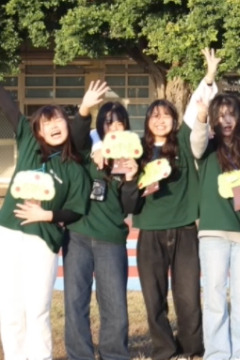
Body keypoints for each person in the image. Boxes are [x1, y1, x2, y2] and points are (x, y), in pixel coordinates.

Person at [0, 86, 89, 360]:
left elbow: (76, 210)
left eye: (58, 120)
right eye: (46, 123)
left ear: (67, 125)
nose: (54, 126)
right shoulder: (29, 144)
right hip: (10, 234)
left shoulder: (74, 167)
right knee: (10, 308)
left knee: (38, 309)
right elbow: (9, 106)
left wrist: (47, 215)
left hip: (42, 239)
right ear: (38, 131)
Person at [191, 58, 240, 360]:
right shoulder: (207, 148)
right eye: (220, 115)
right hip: (212, 235)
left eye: (231, 114)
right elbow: (196, 140)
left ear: (239, 117)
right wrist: (201, 115)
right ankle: (217, 354)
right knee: (214, 298)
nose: (226, 120)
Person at [130, 67, 209, 360]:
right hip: (150, 230)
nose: (160, 120)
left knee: (188, 296)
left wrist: (209, 78)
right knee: (154, 297)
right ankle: (165, 350)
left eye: (166, 115)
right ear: (147, 122)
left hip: (185, 228)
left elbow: (198, 110)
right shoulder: (138, 150)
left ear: (175, 121)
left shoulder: (184, 142)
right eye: (155, 116)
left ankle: (191, 348)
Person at [63, 84, 141, 360]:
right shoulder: (88, 149)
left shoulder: (132, 156)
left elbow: (130, 207)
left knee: (114, 305)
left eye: (120, 123)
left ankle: (114, 354)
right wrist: (85, 108)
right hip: (78, 236)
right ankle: (79, 355)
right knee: (75, 303)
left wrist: (131, 180)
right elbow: (75, 137)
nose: (114, 127)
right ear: (101, 126)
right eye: (108, 122)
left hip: (111, 239)